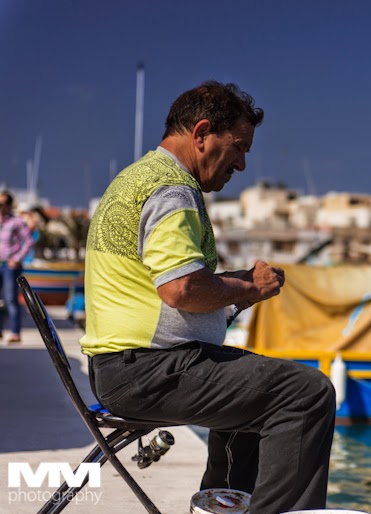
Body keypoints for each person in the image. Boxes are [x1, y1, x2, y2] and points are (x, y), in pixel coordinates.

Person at [80, 81, 336, 514]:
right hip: (147, 370)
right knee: (306, 394)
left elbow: (177, 282)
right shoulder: (172, 190)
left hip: (129, 366)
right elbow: (181, 289)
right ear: (201, 134)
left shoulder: (140, 178)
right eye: (237, 147)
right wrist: (250, 286)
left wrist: (239, 289)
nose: (241, 163)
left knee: (255, 390)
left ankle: (224, 507)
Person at [0, 191, 34, 343]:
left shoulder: (17, 222)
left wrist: (16, 259)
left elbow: (28, 242)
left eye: (2, 203)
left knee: (10, 299)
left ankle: (15, 333)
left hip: (10, 266)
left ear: (8, 205)